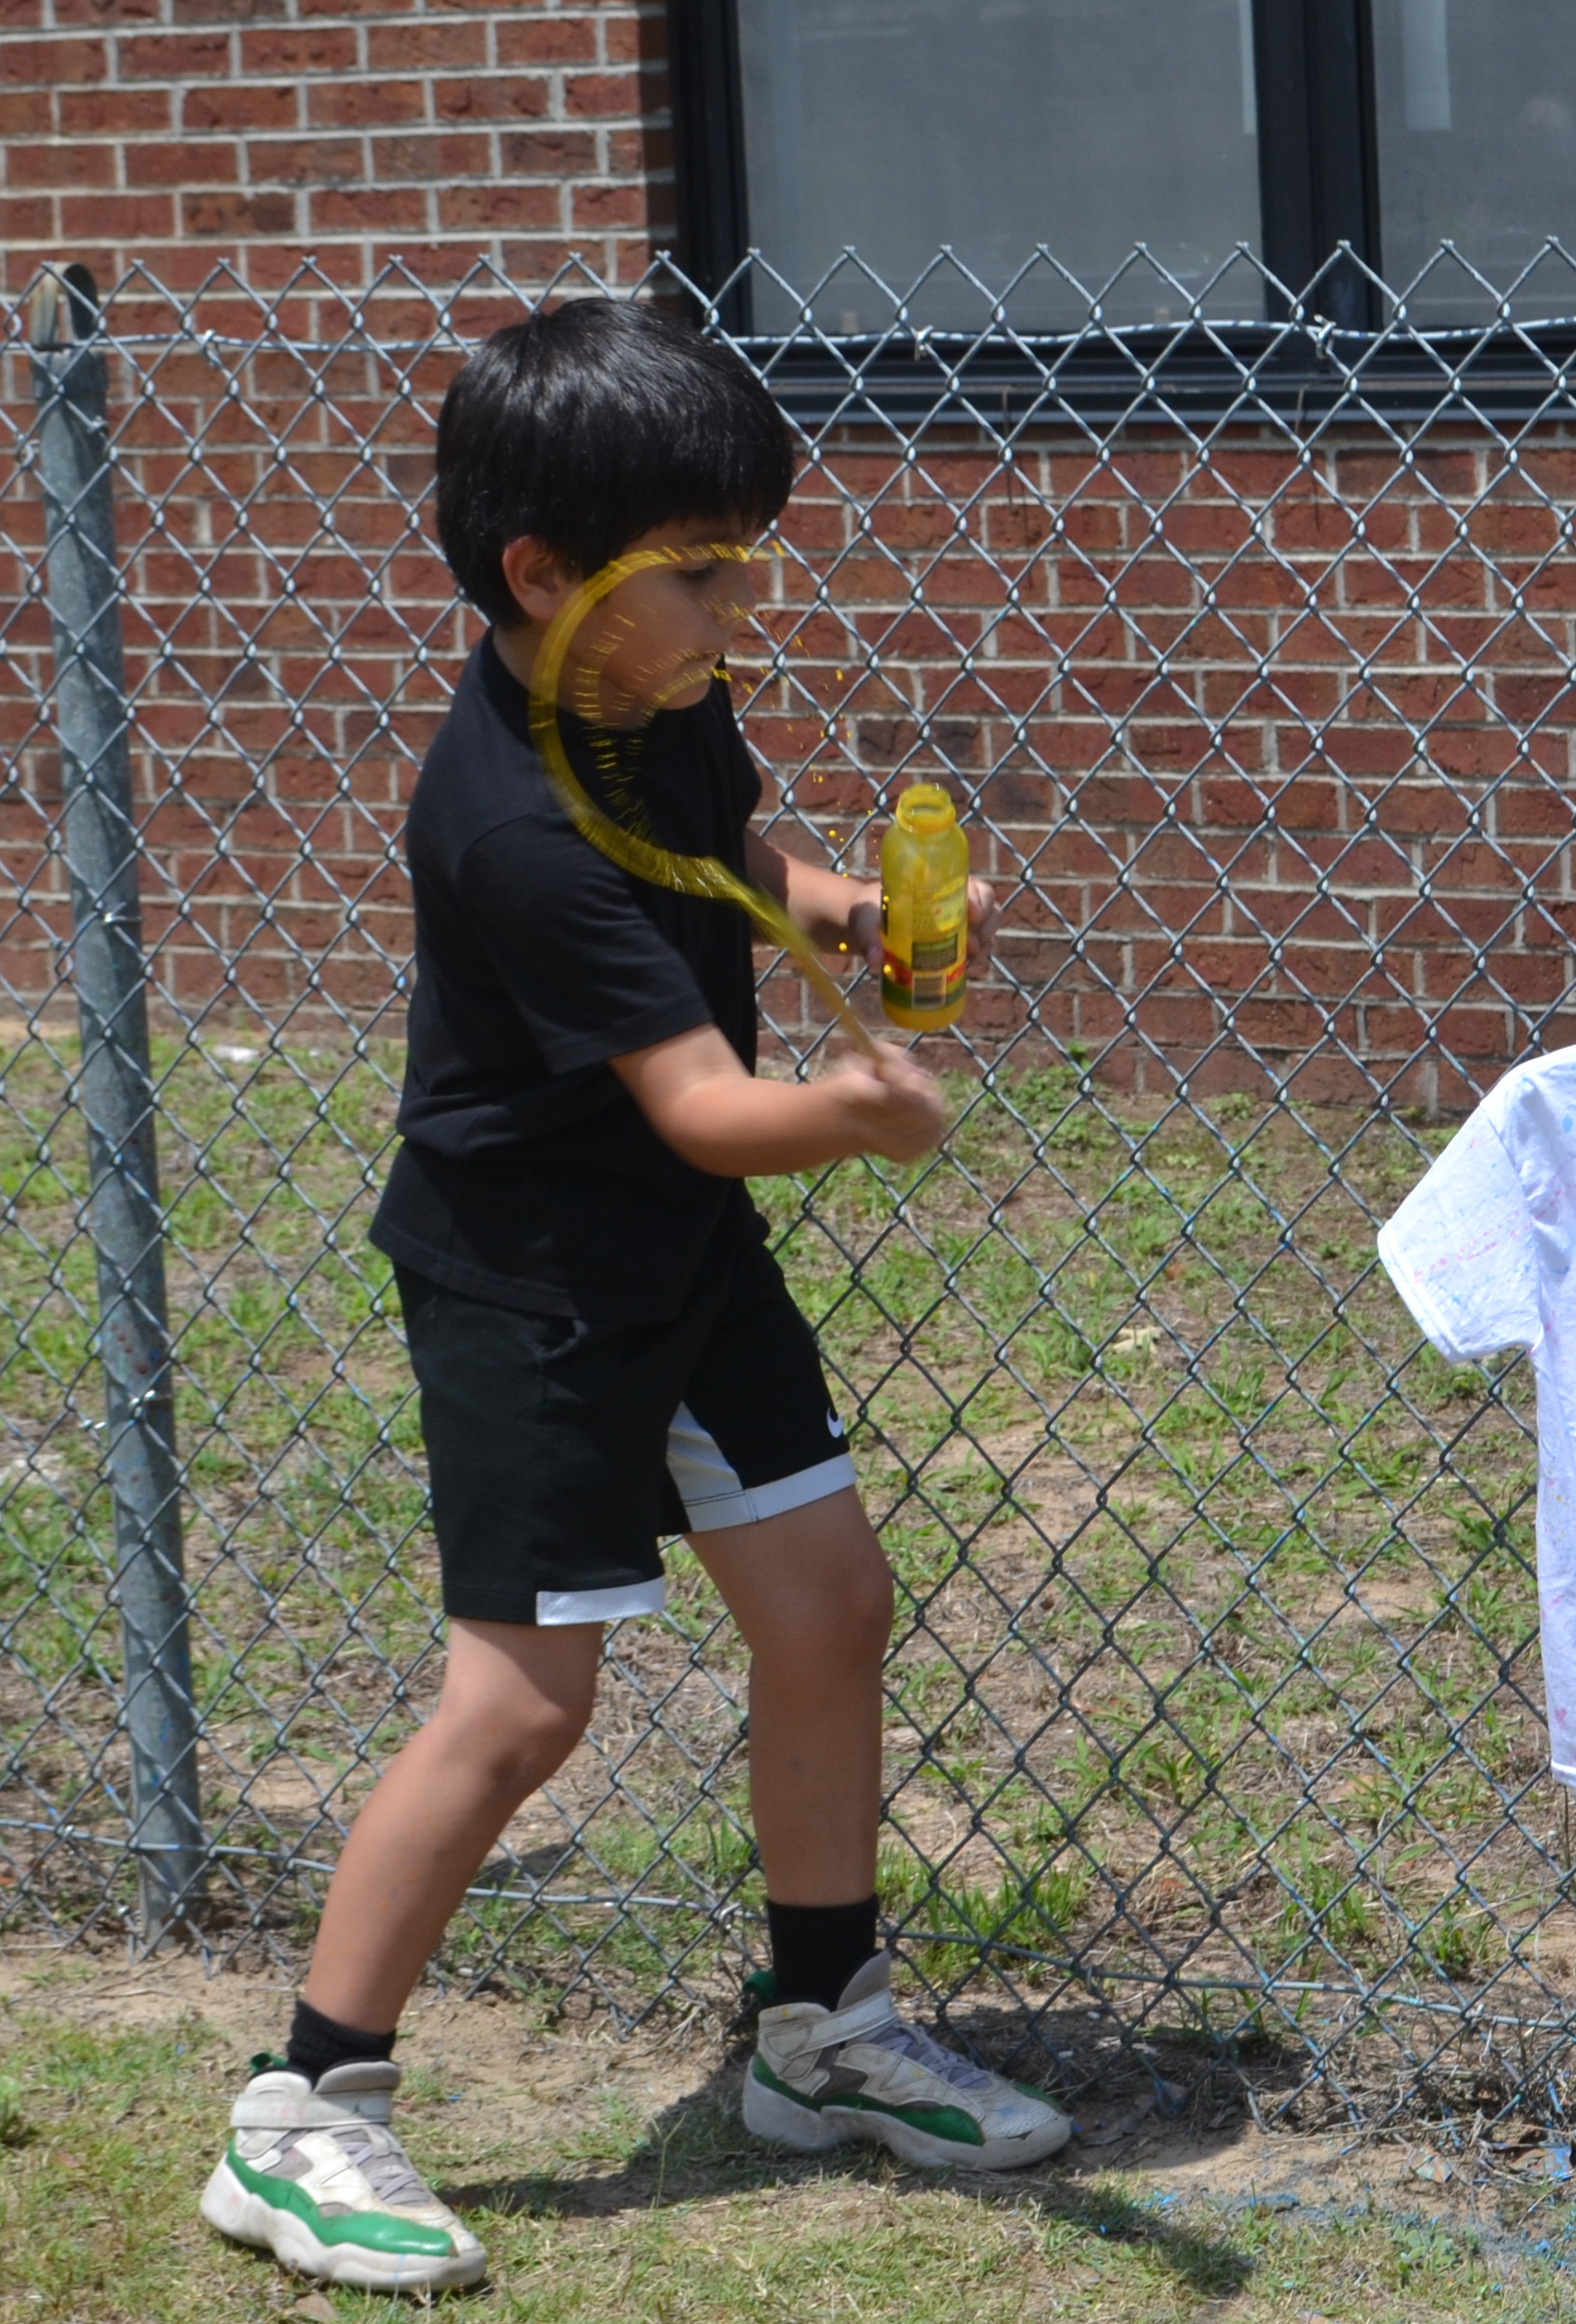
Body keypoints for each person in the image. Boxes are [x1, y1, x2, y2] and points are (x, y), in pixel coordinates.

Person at [199, 297, 1071, 2299]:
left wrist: (824, 903)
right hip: (534, 1287)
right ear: (540, 579)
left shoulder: (661, 700)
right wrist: (853, 1113)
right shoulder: (507, 830)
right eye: (700, 569)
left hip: (679, 1261)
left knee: (830, 1603)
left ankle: (819, 2033)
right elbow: (698, 1110)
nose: (738, 602)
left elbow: (726, 836)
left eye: (742, 554)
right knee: (521, 1708)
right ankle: (303, 2110)